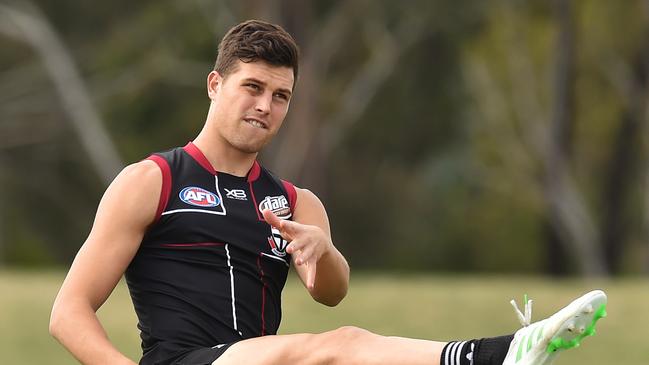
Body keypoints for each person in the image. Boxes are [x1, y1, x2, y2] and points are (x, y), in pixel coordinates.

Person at [49, 19, 607, 365]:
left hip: (267, 361)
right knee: (341, 344)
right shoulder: (152, 181)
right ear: (215, 85)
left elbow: (330, 292)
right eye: (252, 87)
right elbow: (69, 312)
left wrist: (325, 253)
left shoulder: (298, 203)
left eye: (281, 95)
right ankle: (495, 354)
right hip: (184, 361)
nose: (266, 106)